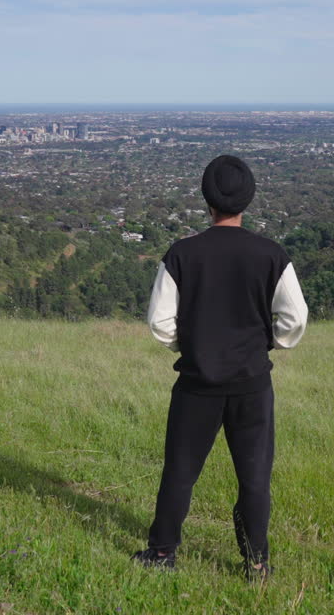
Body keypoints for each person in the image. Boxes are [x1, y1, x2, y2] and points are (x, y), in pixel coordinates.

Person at [132, 154, 308, 582]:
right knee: (253, 478)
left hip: (196, 382)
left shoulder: (182, 254)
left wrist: (191, 346)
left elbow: (159, 321)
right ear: (247, 199)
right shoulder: (271, 254)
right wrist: (268, 344)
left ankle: (161, 554)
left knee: (180, 470)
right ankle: (256, 563)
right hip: (252, 383)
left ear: (206, 200)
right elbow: (295, 318)